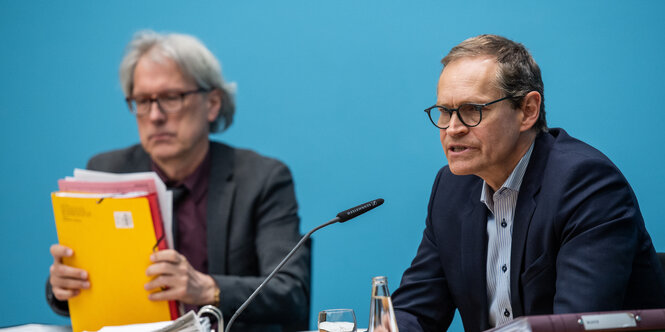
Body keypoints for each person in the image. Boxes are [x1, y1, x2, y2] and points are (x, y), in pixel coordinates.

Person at [391, 34, 665, 332]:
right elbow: (415, 311)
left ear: (527, 111)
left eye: (473, 110)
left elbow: (575, 325)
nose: (453, 129)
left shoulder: (586, 185)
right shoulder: (451, 188)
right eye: (445, 111)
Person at [46, 30, 310, 332]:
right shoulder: (107, 172)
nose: (155, 116)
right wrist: (61, 287)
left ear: (212, 103)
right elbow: (86, 286)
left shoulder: (262, 179)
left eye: (171, 98)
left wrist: (208, 288)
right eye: (143, 101)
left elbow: (291, 291)